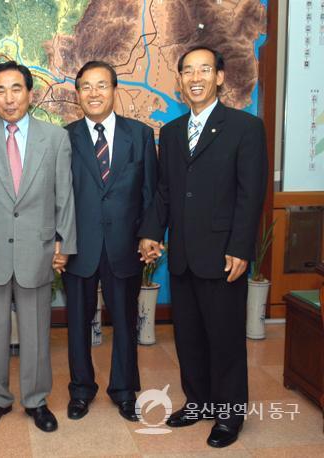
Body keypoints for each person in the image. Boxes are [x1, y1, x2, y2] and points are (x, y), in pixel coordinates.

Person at [138, 46, 268, 448]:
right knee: (189, 336)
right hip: (183, 255)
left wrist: (241, 248)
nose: (195, 78)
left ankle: (229, 416)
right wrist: (151, 232)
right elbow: (164, 191)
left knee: (225, 337)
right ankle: (198, 403)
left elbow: (251, 194)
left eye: (204, 70)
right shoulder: (173, 133)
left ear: (220, 77)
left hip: (224, 254)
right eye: (187, 71)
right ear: (179, 80)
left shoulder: (245, 128)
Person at [0, 61, 76, 433]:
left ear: (30, 92)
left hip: (37, 249)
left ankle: (37, 400)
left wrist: (65, 243)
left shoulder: (54, 138)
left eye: (16, 89)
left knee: (37, 331)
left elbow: (64, 197)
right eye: (0, 90)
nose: (9, 98)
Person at [63, 61, 157, 422]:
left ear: (115, 89)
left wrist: (148, 235)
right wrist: (60, 242)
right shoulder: (65, 137)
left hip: (123, 245)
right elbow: (59, 196)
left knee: (125, 320)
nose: (94, 93)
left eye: (101, 85)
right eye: (86, 87)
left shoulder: (141, 135)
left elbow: (150, 192)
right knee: (76, 324)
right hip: (79, 246)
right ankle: (81, 390)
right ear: (78, 94)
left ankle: (123, 390)